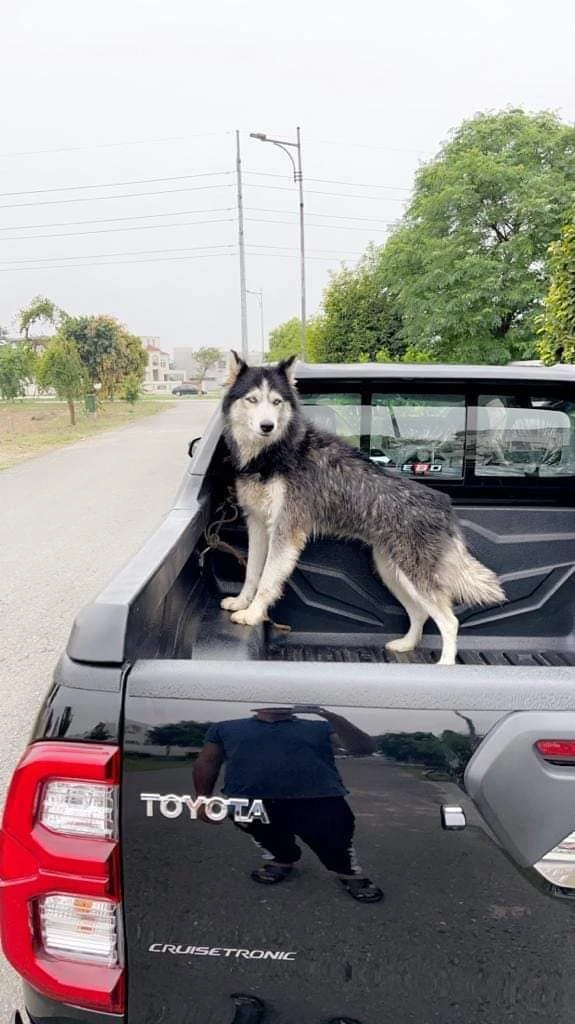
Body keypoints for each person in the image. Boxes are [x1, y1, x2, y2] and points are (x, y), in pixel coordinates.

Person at [193, 705, 383, 903]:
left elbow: (364, 748)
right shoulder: (224, 728)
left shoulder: (321, 726)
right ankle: (282, 860)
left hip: (319, 798)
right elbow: (208, 762)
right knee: (265, 836)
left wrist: (330, 716)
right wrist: (202, 797)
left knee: (334, 841)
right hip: (245, 798)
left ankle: (348, 873)